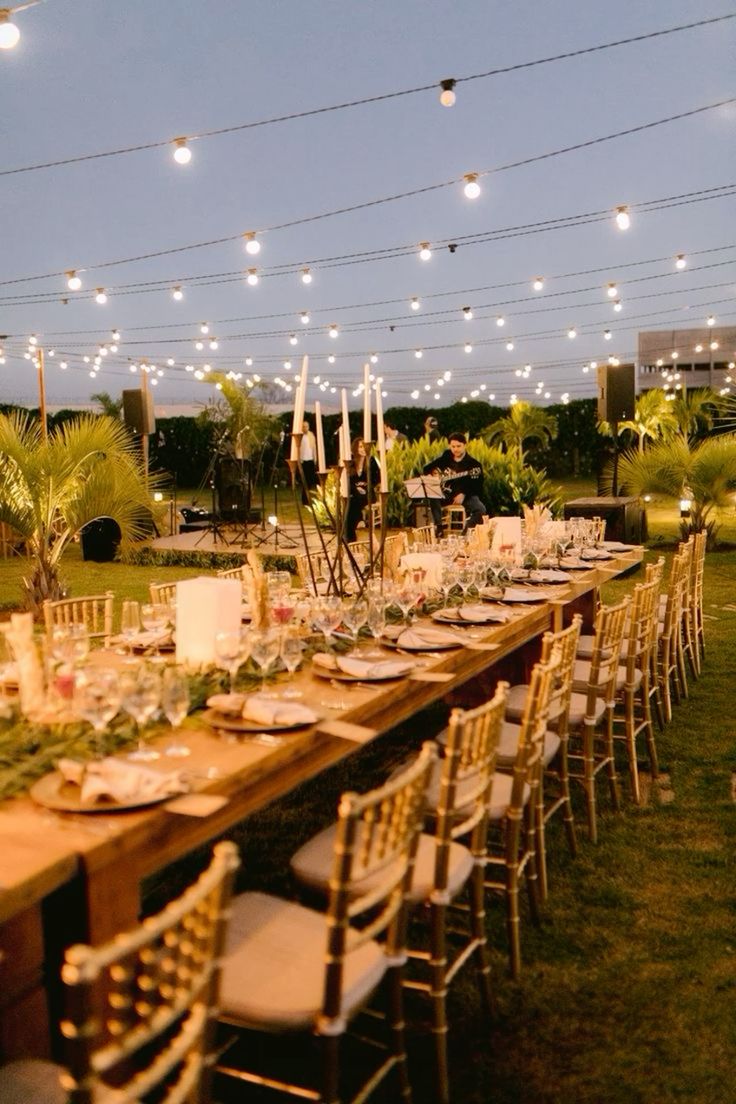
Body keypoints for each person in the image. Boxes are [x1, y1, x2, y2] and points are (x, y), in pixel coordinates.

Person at [422, 431, 487, 535]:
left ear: (465, 445)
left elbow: (478, 485)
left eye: (458, 446)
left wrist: (463, 493)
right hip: (446, 493)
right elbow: (427, 468)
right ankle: (439, 528)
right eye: (453, 446)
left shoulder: (474, 465)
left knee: (480, 509)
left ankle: (465, 534)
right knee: (433, 494)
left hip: (465, 495)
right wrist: (432, 475)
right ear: (449, 446)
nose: (455, 449)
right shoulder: (446, 456)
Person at [344, 437, 380, 542]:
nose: (363, 449)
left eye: (364, 446)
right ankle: (353, 531)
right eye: (360, 447)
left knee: (351, 503)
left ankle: (351, 534)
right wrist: (357, 489)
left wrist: (365, 488)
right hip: (355, 494)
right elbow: (349, 481)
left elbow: (377, 479)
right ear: (355, 448)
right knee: (351, 500)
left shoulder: (372, 461)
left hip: (368, 493)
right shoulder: (351, 463)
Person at [298, 419, 317, 503]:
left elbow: (314, 448)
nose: (305, 428)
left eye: (306, 426)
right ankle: (304, 499)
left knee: (310, 481)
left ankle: (307, 498)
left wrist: (315, 459)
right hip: (303, 461)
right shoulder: (300, 436)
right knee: (304, 480)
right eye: (304, 426)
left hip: (310, 460)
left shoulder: (311, 435)